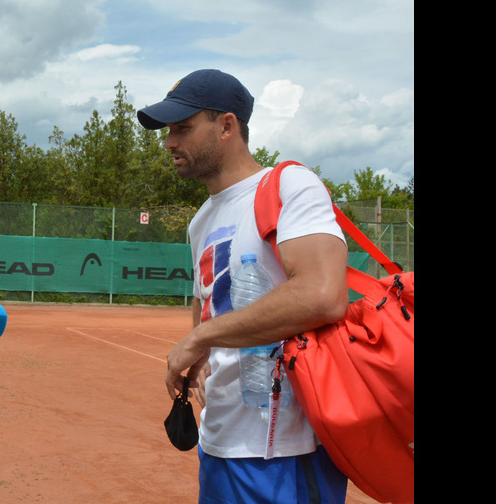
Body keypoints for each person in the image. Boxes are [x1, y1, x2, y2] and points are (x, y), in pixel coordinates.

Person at [138, 69, 350, 503]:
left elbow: (323, 294)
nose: (169, 142)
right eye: (167, 131)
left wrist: (200, 336)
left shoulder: (290, 185)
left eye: (183, 128)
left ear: (227, 127)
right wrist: (199, 353)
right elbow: (211, 313)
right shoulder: (200, 221)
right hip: (221, 442)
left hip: (287, 450)